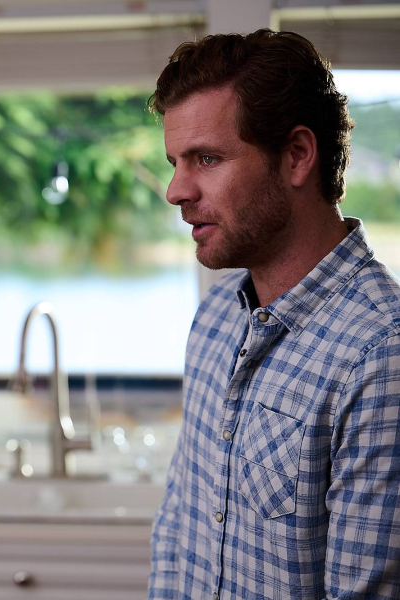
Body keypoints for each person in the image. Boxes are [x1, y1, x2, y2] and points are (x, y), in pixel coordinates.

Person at [148, 29, 400, 599]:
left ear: (296, 156)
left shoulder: (381, 355)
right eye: (175, 162)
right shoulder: (215, 318)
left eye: (206, 159)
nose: (176, 190)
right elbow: (178, 531)